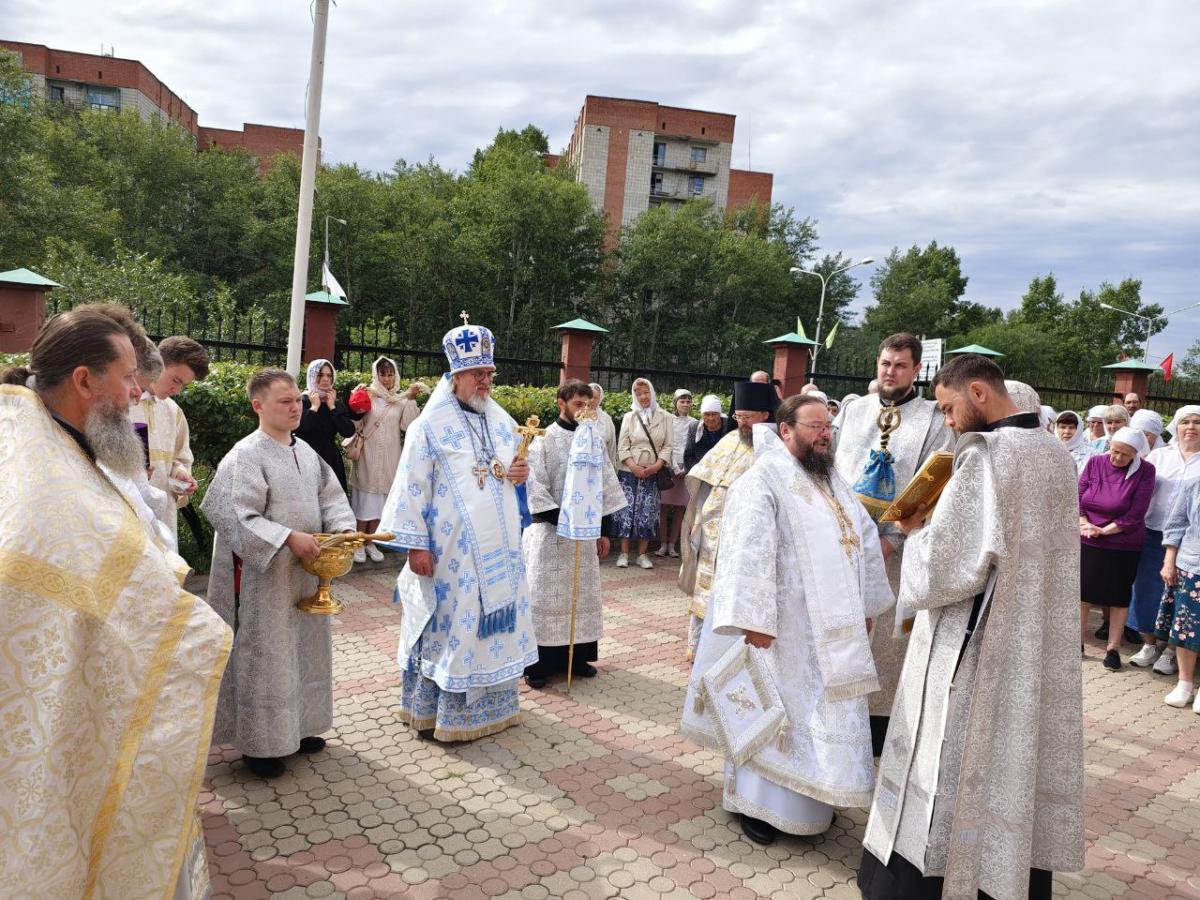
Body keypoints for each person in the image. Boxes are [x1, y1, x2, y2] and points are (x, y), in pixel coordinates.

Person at [0, 307, 230, 899]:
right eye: (128, 377)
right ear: (83, 380)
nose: (138, 391)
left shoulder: (62, 441)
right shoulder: (42, 479)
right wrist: (193, 631)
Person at [859, 356, 1084, 900]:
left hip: (974, 640)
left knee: (952, 749)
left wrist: (915, 531)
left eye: (950, 407)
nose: (950, 421)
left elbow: (949, 566)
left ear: (979, 392)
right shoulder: (1056, 456)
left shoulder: (985, 458)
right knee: (1011, 751)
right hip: (1031, 632)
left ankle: (922, 878)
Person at [681, 395, 894, 845]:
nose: (824, 435)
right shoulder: (762, 480)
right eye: (815, 427)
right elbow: (745, 552)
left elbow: (862, 538)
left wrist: (865, 605)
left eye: (828, 427)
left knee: (815, 716)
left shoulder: (831, 479)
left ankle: (812, 798)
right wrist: (753, 620)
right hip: (779, 628)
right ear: (786, 430)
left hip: (828, 628)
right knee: (772, 714)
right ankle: (757, 806)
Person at [380, 318, 536, 741]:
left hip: (499, 552)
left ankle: (491, 708)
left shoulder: (501, 420)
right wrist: (415, 546)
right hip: (450, 554)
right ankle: (439, 713)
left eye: (489, 374)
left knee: (488, 630)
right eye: (478, 374)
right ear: (456, 376)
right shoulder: (427, 428)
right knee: (451, 626)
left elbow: (514, 470)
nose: (486, 382)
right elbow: (410, 487)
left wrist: (521, 473)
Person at [201, 368, 357, 779]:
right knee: (267, 654)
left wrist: (341, 531)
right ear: (258, 406)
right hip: (264, 580)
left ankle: (302, 727)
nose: (296, 407)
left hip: (306, 575)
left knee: (306, 648)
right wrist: (287, 537)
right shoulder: (245, 455)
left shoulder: (305, 451)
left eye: (297, 401)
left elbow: (332, 496)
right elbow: (231, 512)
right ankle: (261, 745)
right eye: (285, 401)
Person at [831, 333, 953, 755]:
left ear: (917, 370)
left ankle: (877, 727)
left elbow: (931, 486)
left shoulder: (934, 418)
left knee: (885, 637)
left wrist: (889, 541)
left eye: (900, 365)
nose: (890, 372)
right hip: (839, 546)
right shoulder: (852, 410)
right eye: (885, 363)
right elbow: (831, 473)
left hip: (894, 552)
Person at [522, 380, 627, 688]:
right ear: (561, 403)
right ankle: (538, 664)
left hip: (583, 537)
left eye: (587, 404)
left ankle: (577, 657)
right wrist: (566, 519)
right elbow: (534, 487)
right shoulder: (543, 440)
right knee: (543, 598)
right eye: (577, 404)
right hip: (550, 533)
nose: (583, 410)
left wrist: (603, 531)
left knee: (580, 597)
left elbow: (606, 485)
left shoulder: (593, 440)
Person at [679, 382, 775, 660]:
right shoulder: (731, 439)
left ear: (765, 415)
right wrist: (697, 517)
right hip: (712, 533)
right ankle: (697, 647)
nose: (742, 422)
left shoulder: (772, 448)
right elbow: (704, 481)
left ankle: (734, 651)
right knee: (705, 590)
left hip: (745, 538)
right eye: (738, 416)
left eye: (748, 417)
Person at [1128, 405, 1200, 674]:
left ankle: (1171, 651)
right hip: (1152, 531)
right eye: (1185, 422)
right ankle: (1148, 643)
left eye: (1197, 422)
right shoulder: (1159, 456)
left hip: (1191, 540)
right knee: (1146, 588)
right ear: (1176, 427)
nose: (1191, 427)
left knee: (1179, 598)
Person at [1078, 426, 1156, 670]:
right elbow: (1078, 496)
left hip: (1122, 542)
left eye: (1124, 454)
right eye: (1114, 451)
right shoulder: (1095, 463)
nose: (1116, 458)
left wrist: (1105, 530)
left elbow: (1136, 513)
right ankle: (1076, 643)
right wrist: (1084, 523)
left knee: (1118, 597)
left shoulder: (1146, 471)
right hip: (1087, 537)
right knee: (1082, 595)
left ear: (1136, 454)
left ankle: (1113, 649)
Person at [350, 356, 424, 563]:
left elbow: (409, 426)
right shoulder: (367, 394)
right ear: (376, 375)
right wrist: (357, 399)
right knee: (364, 502)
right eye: (382, 374)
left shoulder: (401, 399)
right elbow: (354, 422)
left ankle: (370, 542)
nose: (386, 378)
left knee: (380, 503)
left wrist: (409, 399)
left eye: (390, 374)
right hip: (368, 456)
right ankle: (357, 543)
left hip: (390, 457)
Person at [614, 377, 673, 569]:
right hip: (629, 471)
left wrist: (656, 466)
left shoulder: (665, 417)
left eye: (646, 392)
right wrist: (633, 466)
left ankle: (642, 554)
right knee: (626, 511)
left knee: (647, 511)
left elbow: (668, 445)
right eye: (638, 393)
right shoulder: (629, 417)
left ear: (652, 392)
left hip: (653, 471)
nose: (643, 396)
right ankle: (623, 553)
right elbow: (622, 445)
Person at [1158, 475, 1200, 710]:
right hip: (1192, 564)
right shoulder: (1194, 482)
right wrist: (1169, 561)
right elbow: (1175, 525)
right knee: (1185, 627)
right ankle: (1184, 684)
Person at [295, 358, 361, 491]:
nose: (325, 379)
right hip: (306, 459)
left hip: (330, 460)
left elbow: (348, 431)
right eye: (320, 375)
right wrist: (314, 408)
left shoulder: (334, 402)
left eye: (329, 375)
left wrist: (332, 408)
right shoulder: (303, 400)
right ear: (312, 376)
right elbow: (299, 428)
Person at [657, 388, 694, 558]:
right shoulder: (668, 421)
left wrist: (686, 468)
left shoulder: (695, 423)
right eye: (682, 401)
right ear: (675, 403)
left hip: (686, 471)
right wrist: (672, 467)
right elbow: (666, 444)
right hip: (669, 469)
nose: (685, 404)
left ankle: (672, 545)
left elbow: (693, 449)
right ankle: (662, 544)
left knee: (680, 509)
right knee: (663, 508)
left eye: (688, 401)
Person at [683, 394, 726, 472]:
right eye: (707, 414)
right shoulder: (694, 428)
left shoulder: (729, 426)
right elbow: (688, 455)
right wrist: (699, 471)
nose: (711, 418)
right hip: (701, 471)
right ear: (702, 415)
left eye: (714, 414)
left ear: (719, 414)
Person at [1056, 409, 1098, 474]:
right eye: (1063, 427)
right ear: (1056, 429)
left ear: (1079, 429)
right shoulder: (1047, 452)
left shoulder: (1092, 455)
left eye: (1071, 427)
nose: (1067, 432)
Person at [588, 381, 619, 467]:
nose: (591, 400)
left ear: (600, 399)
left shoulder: (606, 419)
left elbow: (612, 446)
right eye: (589, 396)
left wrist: (611, 466)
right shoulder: (578, 416)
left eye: (595, 397)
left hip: (602, 465)